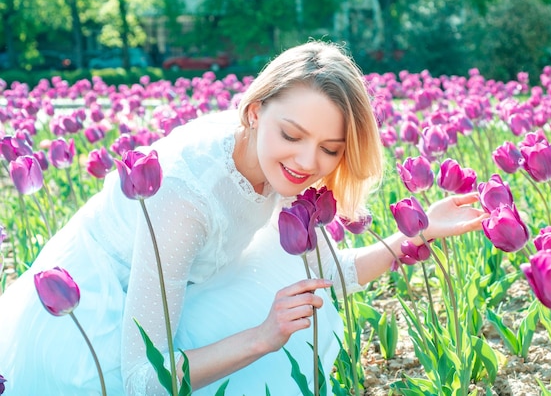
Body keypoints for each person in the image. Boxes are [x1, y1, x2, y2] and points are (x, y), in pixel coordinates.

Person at [0, 41, 487, 395]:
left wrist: (416, 235)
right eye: (292, 135)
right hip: (86, 336)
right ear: (254, 112)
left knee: (299, 291)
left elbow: (326, 273)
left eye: (330, 149)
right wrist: (261, 338)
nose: (307, 162)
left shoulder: (277, 170)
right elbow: (142, 379)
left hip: (170, 306)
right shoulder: (185, 196)